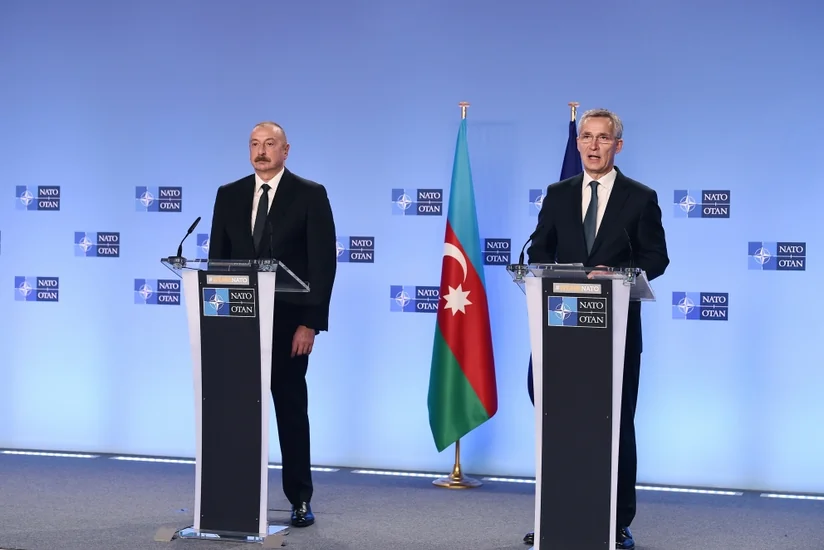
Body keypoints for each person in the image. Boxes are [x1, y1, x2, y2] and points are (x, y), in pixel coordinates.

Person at [523, 109, 669, 549]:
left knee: (616, 427)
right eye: (585, 137)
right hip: (560, 330)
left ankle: (617, 521)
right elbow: (539, 251)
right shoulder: (557, 193)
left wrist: (620, 273)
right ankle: (554, 514)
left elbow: (656, 258)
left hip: (616, 333)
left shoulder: (640, 197)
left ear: (617, 146)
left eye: (602, 139)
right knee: (558, 424)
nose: (592, 145)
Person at [207, 121, 337, 528]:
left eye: (269, 144)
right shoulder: (228, 195)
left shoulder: (310, 195)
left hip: (289, 326)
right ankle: (234, 493)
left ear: (286, 150)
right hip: (239, 324)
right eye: (254, 144)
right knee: (236, 413)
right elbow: (216, 264)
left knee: (290, 410)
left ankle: (300, 498)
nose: (261, 151)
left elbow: (323, 265)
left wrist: (310, 324)